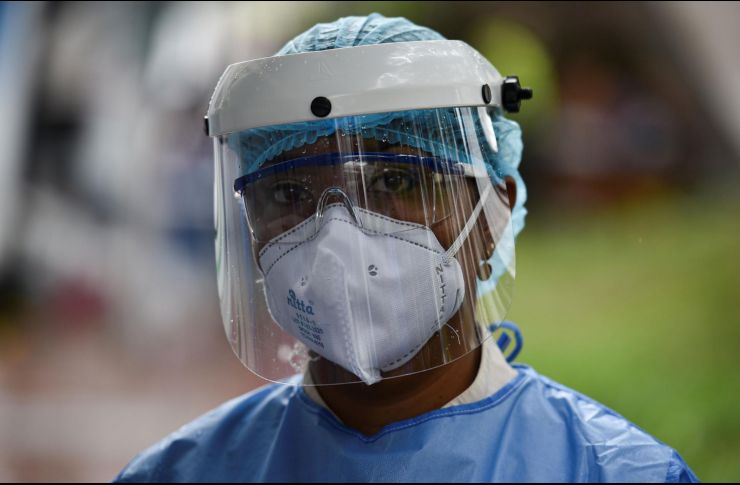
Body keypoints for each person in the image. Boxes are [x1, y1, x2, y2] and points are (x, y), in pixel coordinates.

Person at [114, 14, 698, 482]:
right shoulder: (181, 474)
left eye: (396, 181)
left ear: (492, 214)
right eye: (289, 193)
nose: (337, 237)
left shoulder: (615, 472)